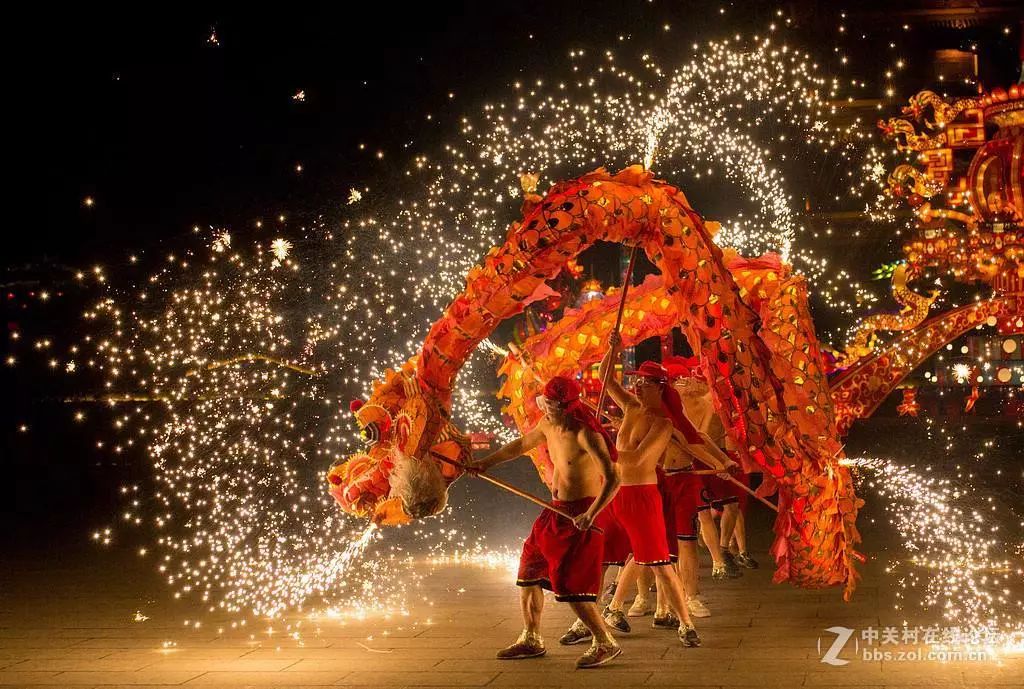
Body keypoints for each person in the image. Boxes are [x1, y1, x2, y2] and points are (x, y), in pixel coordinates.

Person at [469, 375, 622, 669]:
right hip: (554, 510)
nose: (546, 409)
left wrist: (591, 515)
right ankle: (531, 638)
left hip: (580, 513)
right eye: (546, 403)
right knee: (529, 569)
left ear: (567, 406)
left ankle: (604, 641)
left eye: (552, 405)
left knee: (568, 583)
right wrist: (485, 463)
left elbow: (614, 477)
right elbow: (521, 444)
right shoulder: (547, 424)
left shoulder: (585, 433)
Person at [588, 333, 708, 647]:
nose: (637, 387)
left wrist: (602, 451)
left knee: (660, 562)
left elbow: (639, 458)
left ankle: (686, 624)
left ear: (659, 388)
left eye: (644, 383)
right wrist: (611, 351)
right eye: (637, 381)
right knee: (621, 556)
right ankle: (604, 612)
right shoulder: (629, 407)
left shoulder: (663, 423)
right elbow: (604, 378)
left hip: (642, 497)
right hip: (616, 495)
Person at [674, 368, 759, 573]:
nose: (687, 382)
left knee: (731, 505)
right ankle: (717, 558)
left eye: (691, 378)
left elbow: (704, 436)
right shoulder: (674, 404)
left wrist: (720, 461)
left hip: (714, 454)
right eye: (682, 379)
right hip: (694, 459)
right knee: (703, 514)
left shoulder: (712, 400)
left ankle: (723, 553)